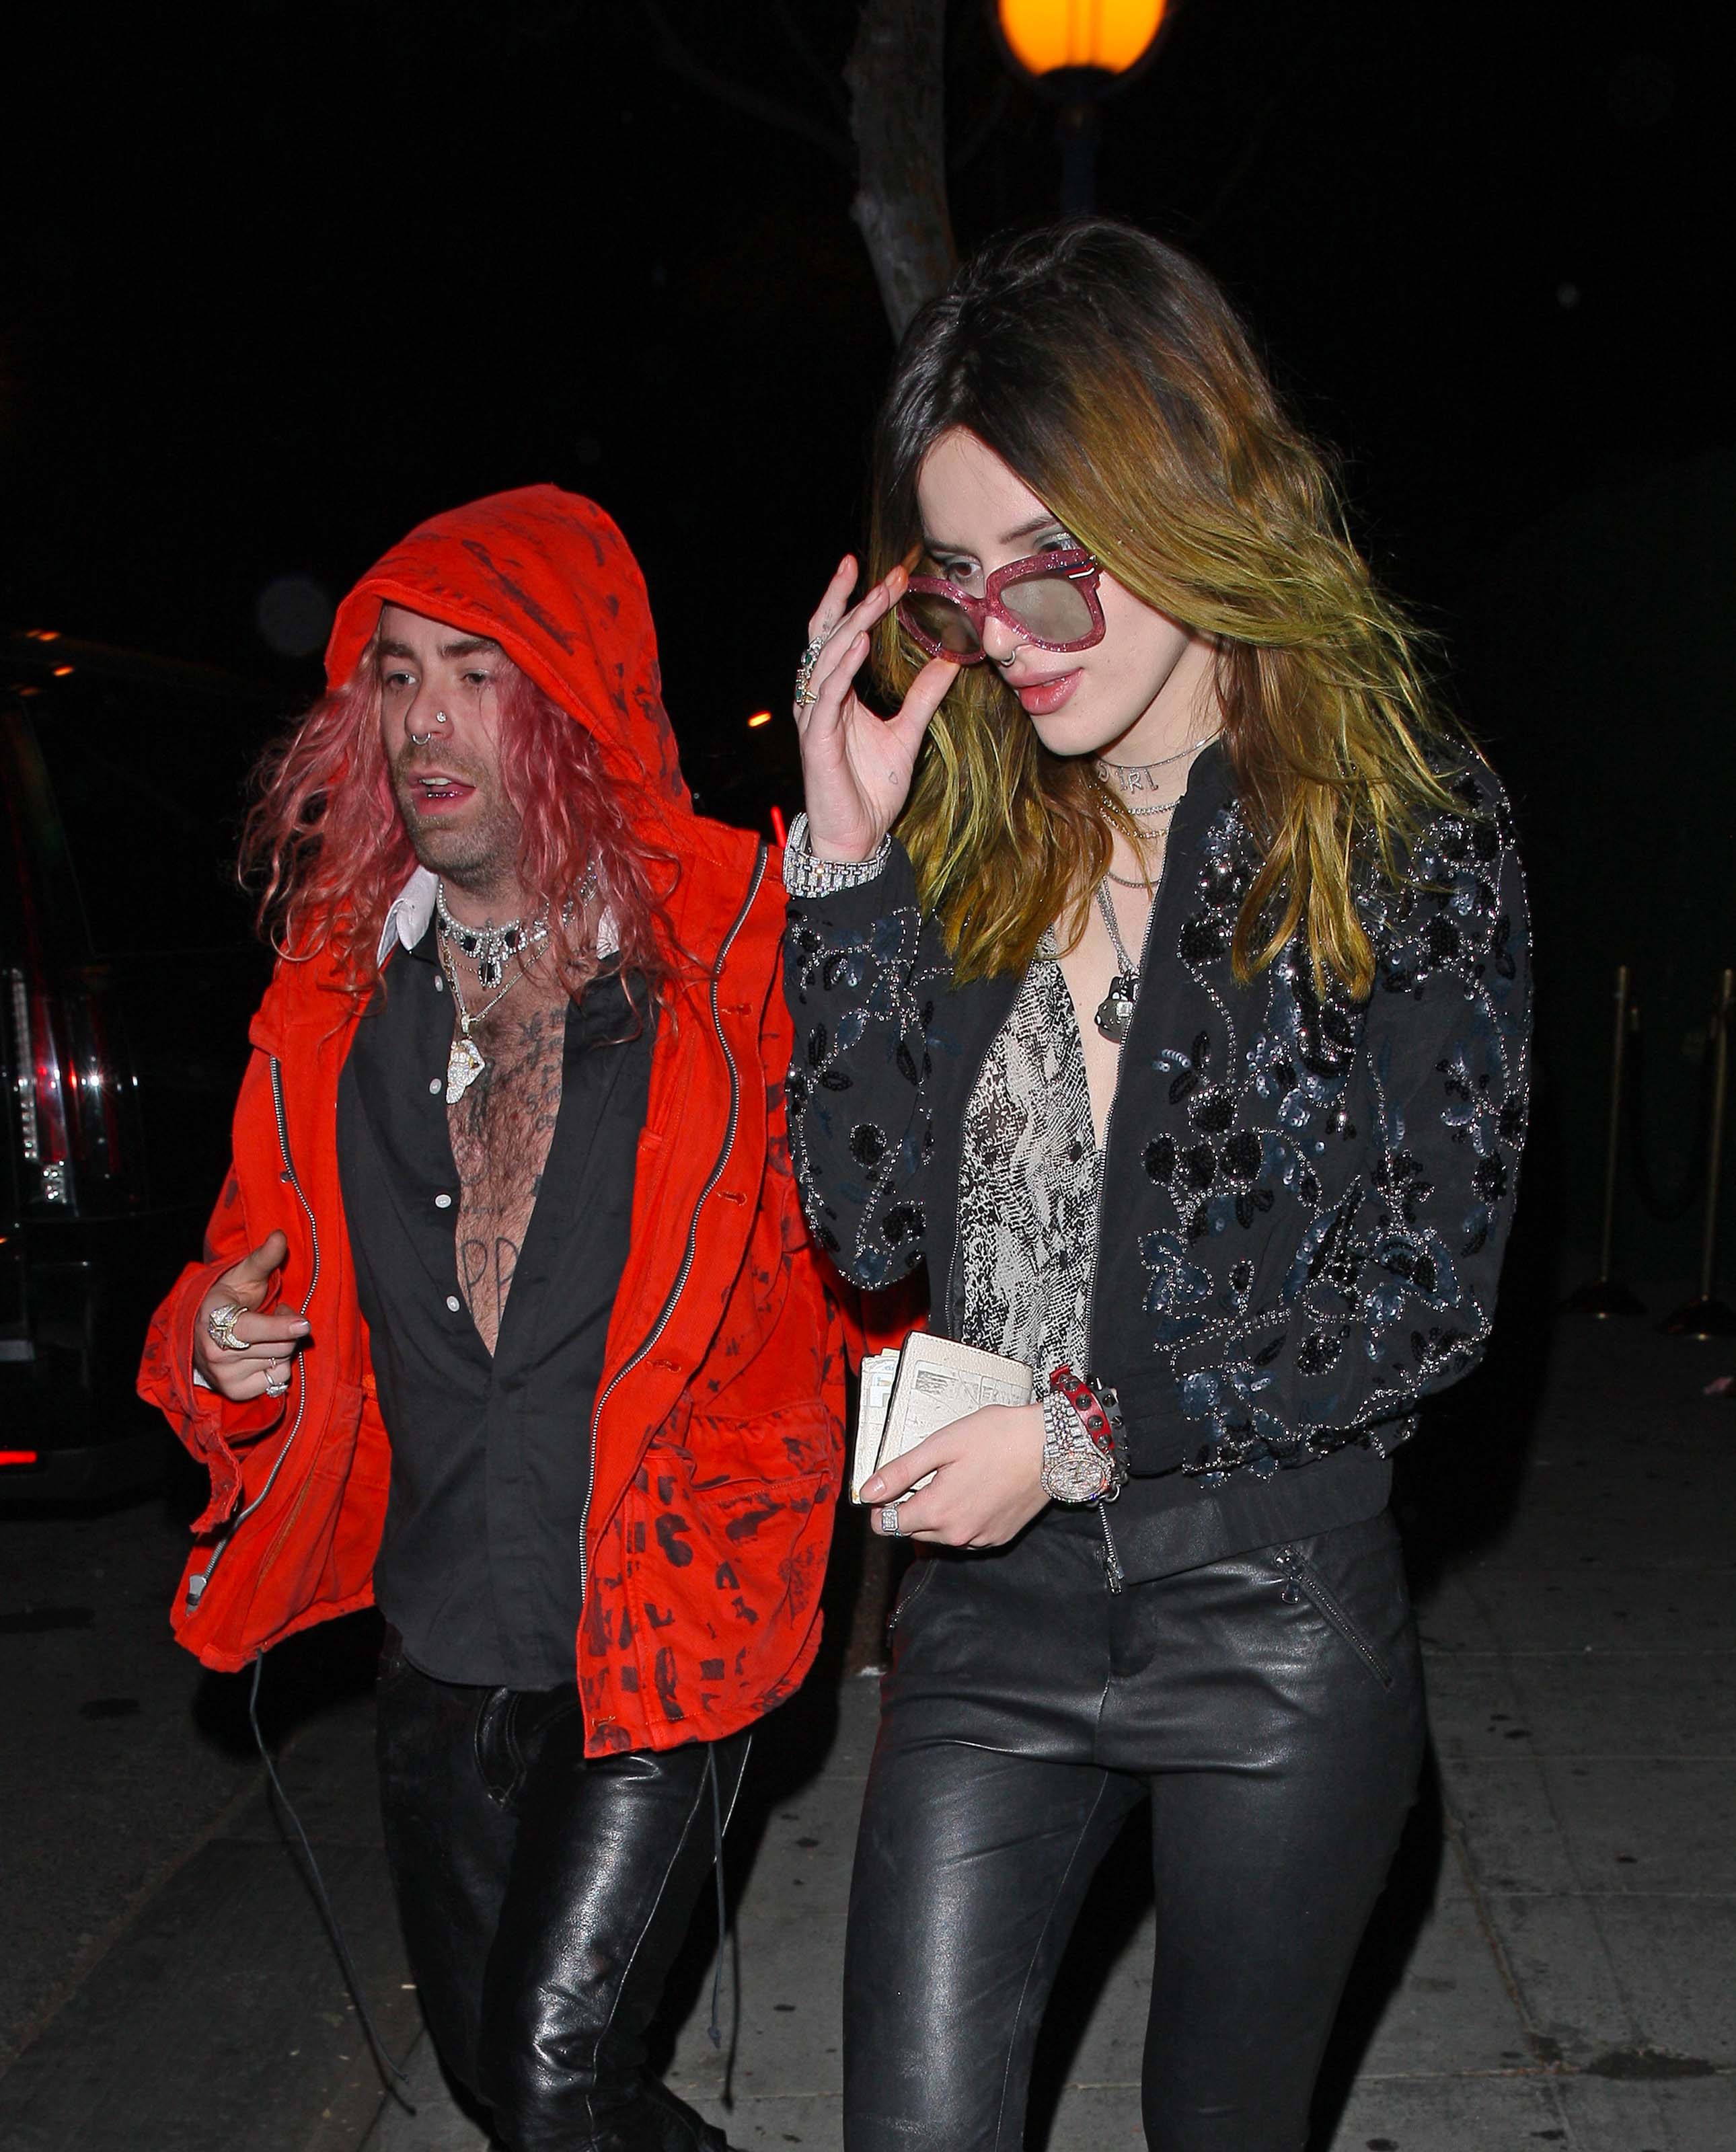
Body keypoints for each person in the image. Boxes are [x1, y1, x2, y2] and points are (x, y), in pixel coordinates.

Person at [782, 222, 1532, 2152]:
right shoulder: (970, 833)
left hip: (1269, 1619)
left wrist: (1085, 1429)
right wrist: (845, 878)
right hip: (987, 1621)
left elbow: (1422, 1290)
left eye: (1052, 562)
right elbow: (866, 1228)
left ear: (1187, 499)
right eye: (960, 583)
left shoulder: (1396, 830)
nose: (1008, 634)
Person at [139, 485, 848, 2152]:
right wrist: (214, 1343)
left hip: (663, 1615)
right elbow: (230, 1276)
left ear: (577, 703)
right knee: (499, 2071)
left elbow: (873, 1233)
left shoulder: (729, 951)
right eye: (397, 675)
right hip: (441, 1633)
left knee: (545, 2070)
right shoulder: (329, 998)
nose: (426, 721)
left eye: (479, 672)